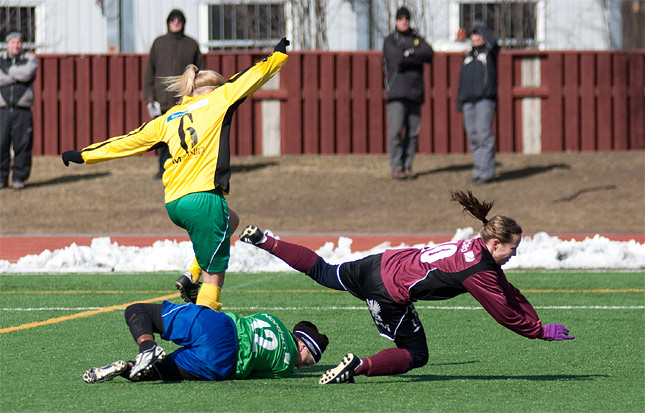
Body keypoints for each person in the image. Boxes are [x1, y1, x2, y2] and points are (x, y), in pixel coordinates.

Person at [238, 190, 575, 384]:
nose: (513, 255)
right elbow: (502, 310)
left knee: (324, 271)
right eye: (512, 249)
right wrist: (536, 331)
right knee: (416, 354)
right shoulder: (477, 269)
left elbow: (508, 290)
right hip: (388, 291)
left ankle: (265, 240)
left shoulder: (476, 249)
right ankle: (357, 366)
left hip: (378, 264)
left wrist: (537, 323)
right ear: (496, 243)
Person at [62, 38, 291, 312]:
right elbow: (252, 76)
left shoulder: (169, 117)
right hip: (204, 198)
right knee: (214, 279)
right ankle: (206, 337)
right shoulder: (219, 99)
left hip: (175, 203)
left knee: (232, 221)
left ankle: (191, 275)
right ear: (212, 89)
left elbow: (128, 140)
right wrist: (277, 56)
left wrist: (85, 154)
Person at [82, 301, 328, 383]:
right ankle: (126, 366)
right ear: (303, 345)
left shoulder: (272, 319)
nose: (300, 367)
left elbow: (248, 321)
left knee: (138, 311)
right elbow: (254, 372)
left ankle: (146, 348)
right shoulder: (285, 368)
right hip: (222, 361)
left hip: (215, 325)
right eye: (307, 362)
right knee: (162, 372)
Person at [144, 9, 204, 180]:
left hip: (185, 99)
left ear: (183, 22)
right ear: (168, 22)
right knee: (164, 136)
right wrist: (149, 97)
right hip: (162, 100)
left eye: (179, 19)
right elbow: (150, 71)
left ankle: (184, 169)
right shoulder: (159, 43)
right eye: (172, 20)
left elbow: (200, 71)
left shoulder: (191, 45)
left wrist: (199, 93)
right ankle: (163, 169)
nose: (176, 22)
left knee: (185, 135)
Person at [382, 6, 433, 180]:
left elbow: (428, 53)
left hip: (415, 93)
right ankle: (396, 167)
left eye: (406, 18)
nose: (404, 21)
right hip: (396, 93)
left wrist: (409, 53)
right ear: (396, 21)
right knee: (396, 131)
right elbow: (396, 59)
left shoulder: (417, 38)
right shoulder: (390, 40)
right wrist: (412, 56)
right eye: (400, 18)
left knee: (413, 133)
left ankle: (407, 166)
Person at [456, 22, 500, 185]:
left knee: (484, 134)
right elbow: (462, 80)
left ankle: (487, 172)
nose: (476, 37)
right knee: (474, 136)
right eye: (473, 34)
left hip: (484, 100)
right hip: (468, 102)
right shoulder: (468, 57)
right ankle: (478, 171)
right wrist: (460, 99)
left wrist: (483, 28)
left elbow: (494, 43)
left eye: (479, 34)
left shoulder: (489, 54)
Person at [0, 31, 38, 190]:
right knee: (1, 144)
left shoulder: (29, 59)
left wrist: (8, 72)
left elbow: (28, 73)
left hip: (22, 109)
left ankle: (19, 178)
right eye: (13, 42)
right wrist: (17, 75)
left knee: (23, 144)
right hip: (3, 109)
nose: (16, 45)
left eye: (19, 42)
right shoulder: (1, 59)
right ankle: (1, 178)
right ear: (7, 44)